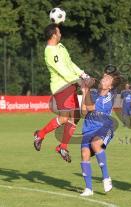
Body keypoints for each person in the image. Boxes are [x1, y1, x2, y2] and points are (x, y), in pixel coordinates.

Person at [33, 24, 89, 163]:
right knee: (65, 118)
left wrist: (82, 73)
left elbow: (69, 63)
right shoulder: (49, 51)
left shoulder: (61, 47)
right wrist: (79, 81)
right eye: (58, 32)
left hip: (71, 85)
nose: (60, 34)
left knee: (75, 117)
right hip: (61, 87)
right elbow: (62, 70)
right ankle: (40, 135)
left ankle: (62, 147)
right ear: (53, 35)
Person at [79, 66, 121, 196]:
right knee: (84, 154)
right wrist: (85, 92)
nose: (104, 79)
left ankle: (106, 177)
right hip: (88, 129)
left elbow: (91, 107)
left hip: (105, 129)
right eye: (104, 77)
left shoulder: (108, 97)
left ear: (110, 87)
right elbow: (83, 112)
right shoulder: (92, 93)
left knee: (96, 144)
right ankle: (89, 189)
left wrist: (85, 90)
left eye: (108, 79)